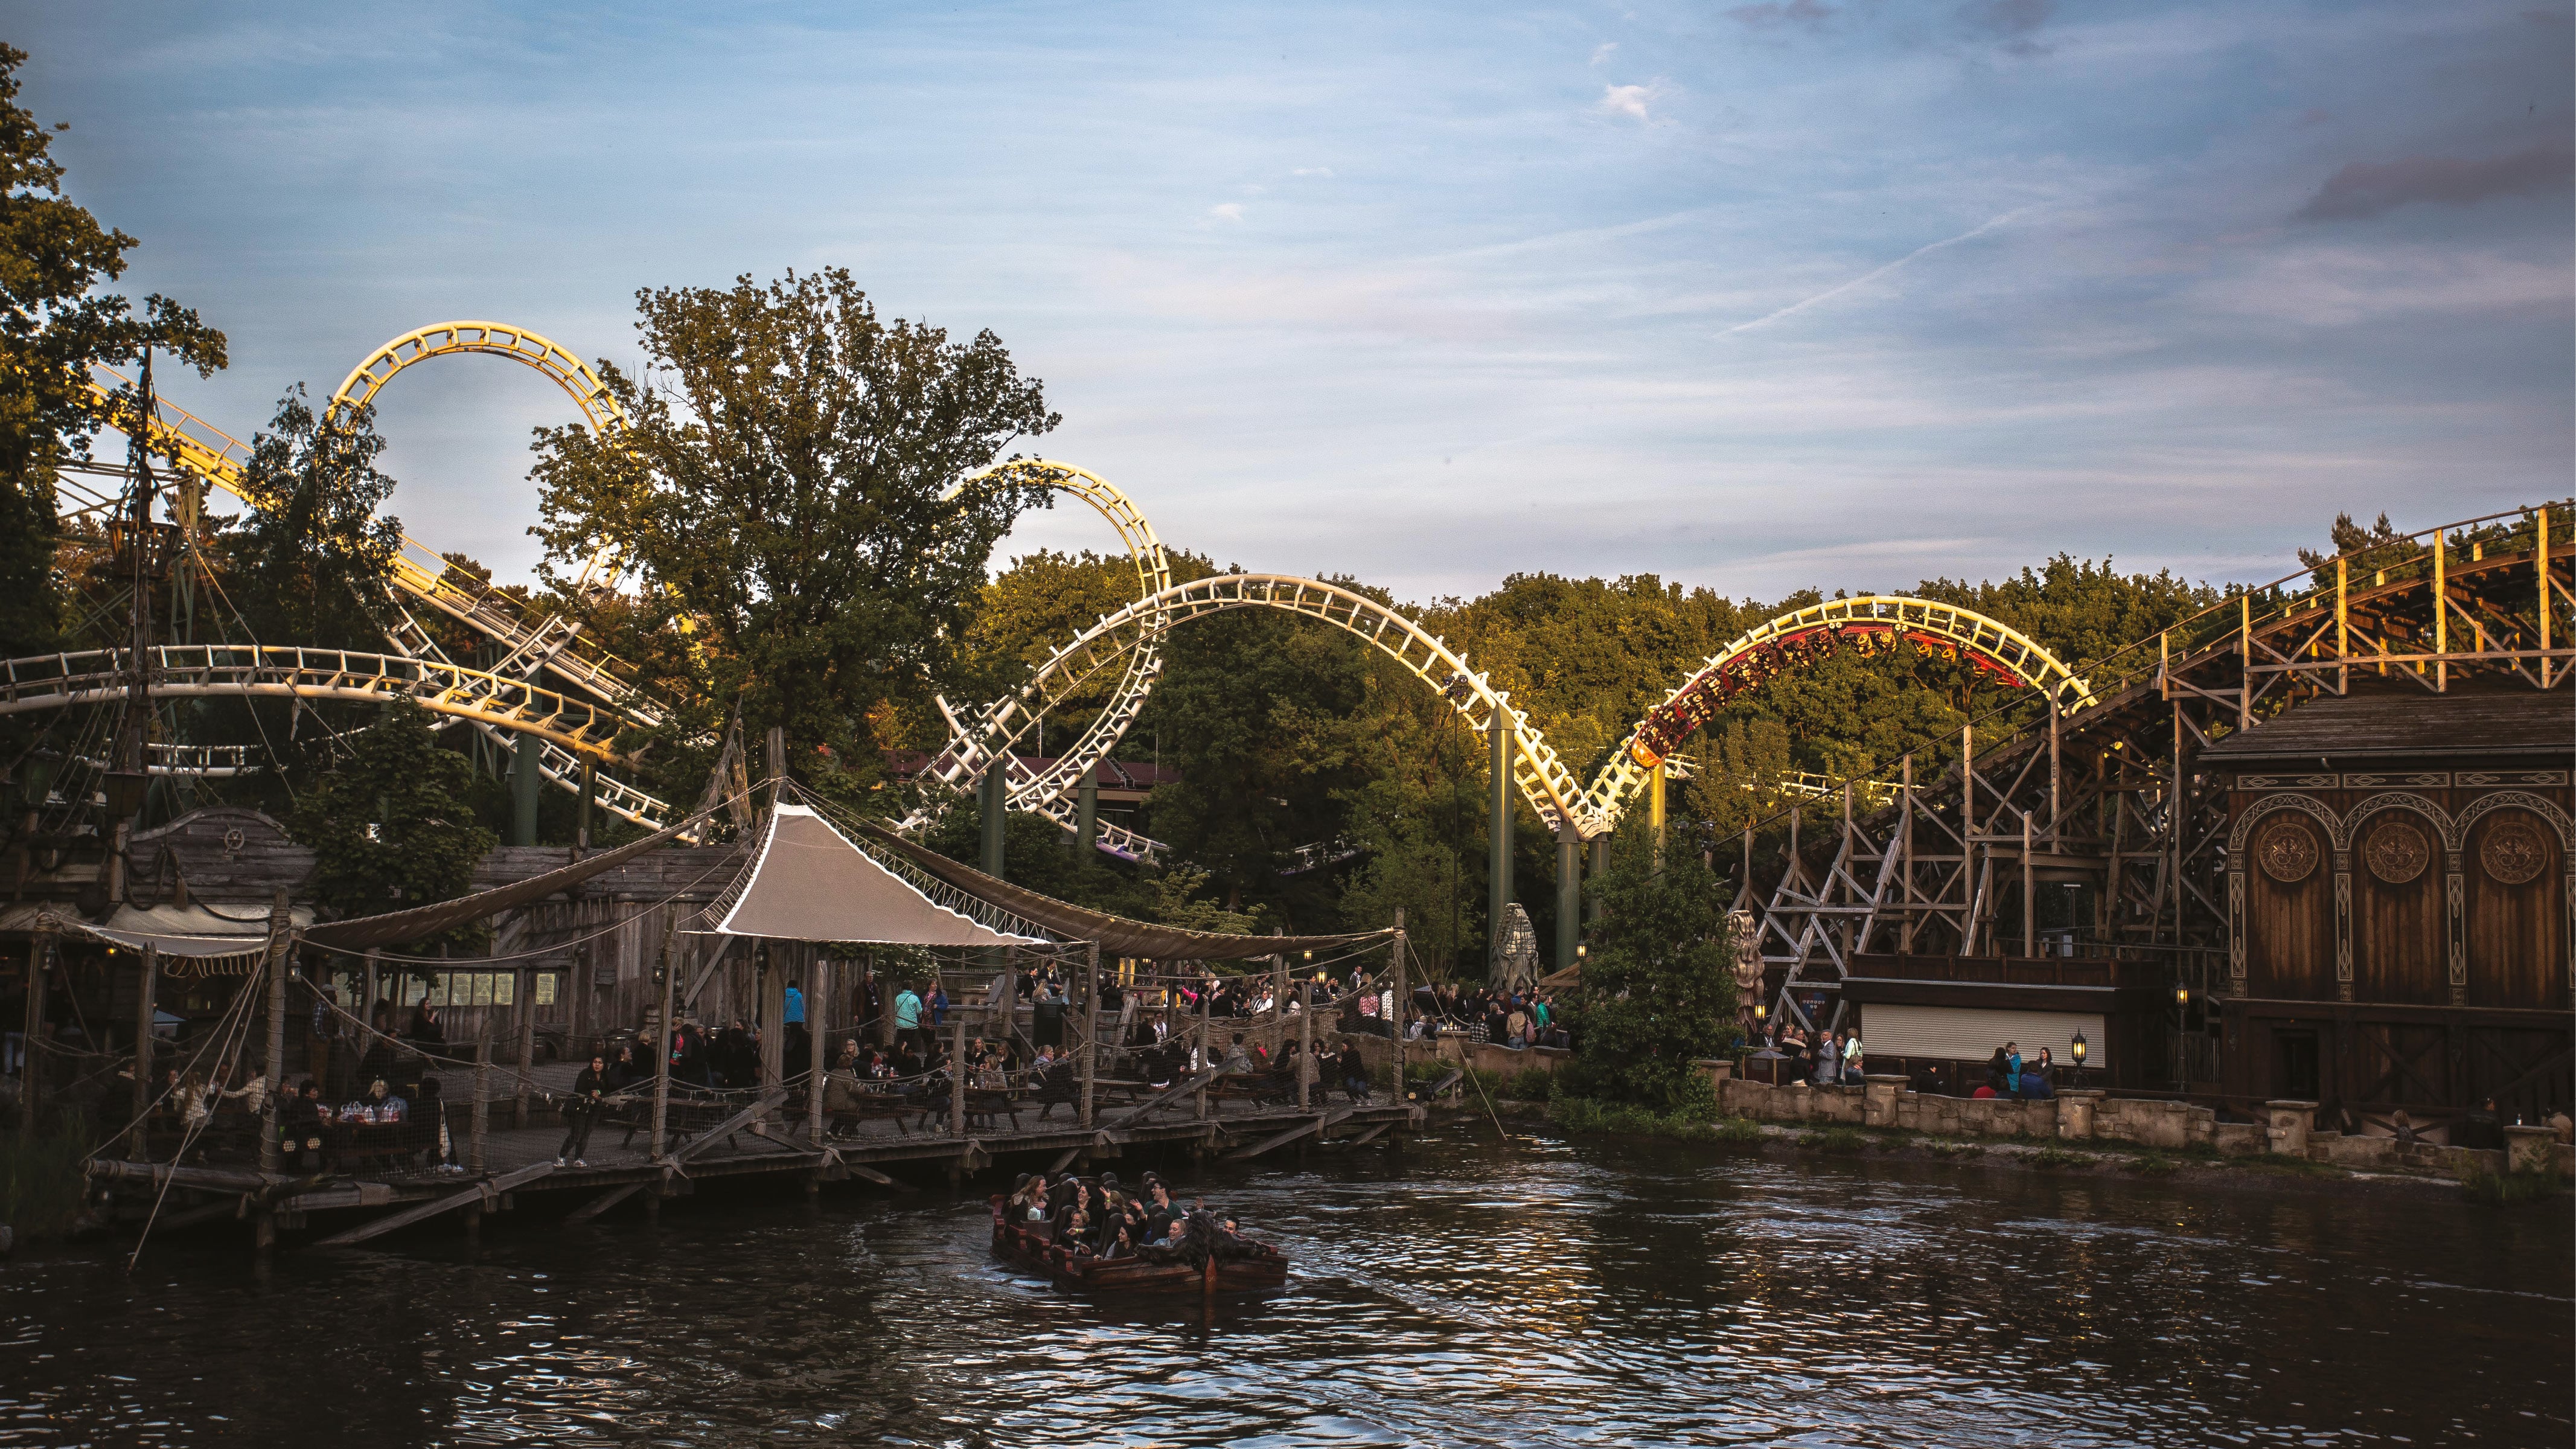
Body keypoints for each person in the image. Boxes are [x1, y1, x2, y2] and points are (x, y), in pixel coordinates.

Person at [558, 1055, 610, 1166]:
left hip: (595, 1108)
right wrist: (592, 1094)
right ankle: (561, 1157)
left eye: (600, 1063)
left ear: (604, 1065)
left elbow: (609, 1088)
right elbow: (579, 1089)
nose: (597, 1065)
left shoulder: (606, 1077)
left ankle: (578, 1158)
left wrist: (599, 1093)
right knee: (576, 1134)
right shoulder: (585, 1074)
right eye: (595, 1062)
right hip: (581, 1107)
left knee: (586, 1134)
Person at [893, 984, 924, 1055]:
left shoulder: (898, 997)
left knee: (900, 1041)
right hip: (911, 1024)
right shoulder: (915, 998)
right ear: (911, 988)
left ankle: (900, 1054)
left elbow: (896, 1010)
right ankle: (909, 1055)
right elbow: (919, 1010)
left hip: (900, 1024)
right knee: (910, 1042)